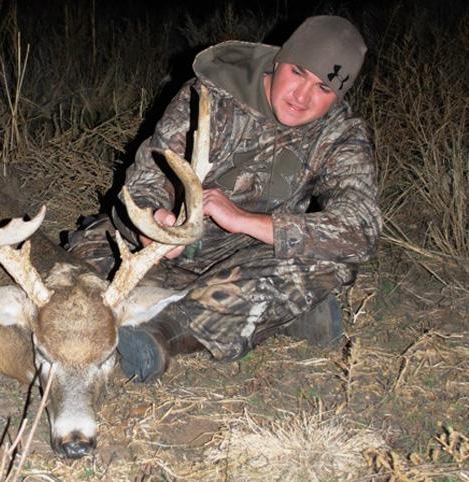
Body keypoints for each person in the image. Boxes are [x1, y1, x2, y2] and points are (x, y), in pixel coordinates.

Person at [66, 15, 382, 382]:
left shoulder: (339, 133)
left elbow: (362, 226)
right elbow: (149, 175)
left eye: (323, 89)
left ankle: (164, 334)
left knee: (326, 264)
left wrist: (243, 221)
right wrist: (154, 224)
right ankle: (278, 314)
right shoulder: (209, 96)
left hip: (247, 260)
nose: (302, 96)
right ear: (279, 60)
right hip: (169, 252)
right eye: (298, 73)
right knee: (82, 259)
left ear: (337, 96)